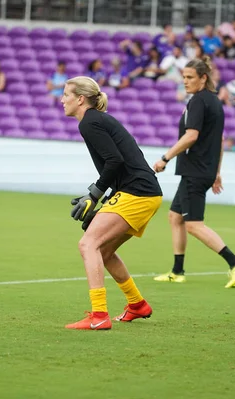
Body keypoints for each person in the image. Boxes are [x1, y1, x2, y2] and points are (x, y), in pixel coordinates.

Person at [61, 76, 163, 330]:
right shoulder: (95, 120)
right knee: (103, 250)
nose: (61, 99)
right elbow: (120, 163)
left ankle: (99, 316)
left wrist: (94, 195)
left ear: (80, 99)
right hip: (140, 191)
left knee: (89, 244)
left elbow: (114, 161)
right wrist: (104, 200)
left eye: (66, 94)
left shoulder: (90, 122)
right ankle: (137, 305)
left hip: (137, 192)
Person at [151, 56, 235, 287]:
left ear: (203, 78)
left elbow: (191, 136)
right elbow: (220, 140)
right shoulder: (214, 102)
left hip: (195, 171)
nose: (185, 81)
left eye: (190, 77)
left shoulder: (198, 101)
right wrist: (216, 173)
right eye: (184, 77)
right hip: (202, 170)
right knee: (175, 217)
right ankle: (177, 271)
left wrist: (165, 157)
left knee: (193, 224)